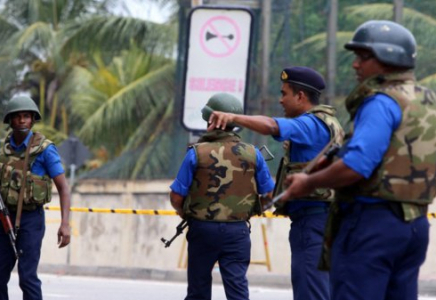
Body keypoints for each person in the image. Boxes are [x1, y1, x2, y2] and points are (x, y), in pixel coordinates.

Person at [280, 20, 436, 300]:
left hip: (373, 224)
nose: (355, 65)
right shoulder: (428, 101)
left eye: (363, 57)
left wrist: (308, 181)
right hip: (415, 224)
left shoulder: (382, 101)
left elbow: (356, 165)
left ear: (388, 58)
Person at [208, 67, 343, 300]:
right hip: (323, 219)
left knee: (311, 292)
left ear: (300, 96)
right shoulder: (328, 123)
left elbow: (272, 126)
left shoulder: (310, 124)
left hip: (314, 222)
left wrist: (233, 118)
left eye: (284, 94)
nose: (280, 100)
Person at [170, 93, 274, 300]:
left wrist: (186, 214)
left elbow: (176, 195)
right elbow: (270, 194)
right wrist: (247, 211)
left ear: (210, 120)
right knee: (237, 291)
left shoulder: (196, 153)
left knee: (198, 290)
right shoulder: (253, 153)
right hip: (237, 232)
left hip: (202, 230)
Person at [0, 95, 71, 300]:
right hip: (4, 219)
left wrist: (65, 224)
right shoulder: (3, 150)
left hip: (31, 220)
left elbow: (64, 188)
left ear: (32, 120)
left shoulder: (45, 149)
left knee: (27, 277)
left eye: (26, 116)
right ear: (10, 121)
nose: (22, 120)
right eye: (17, 117)